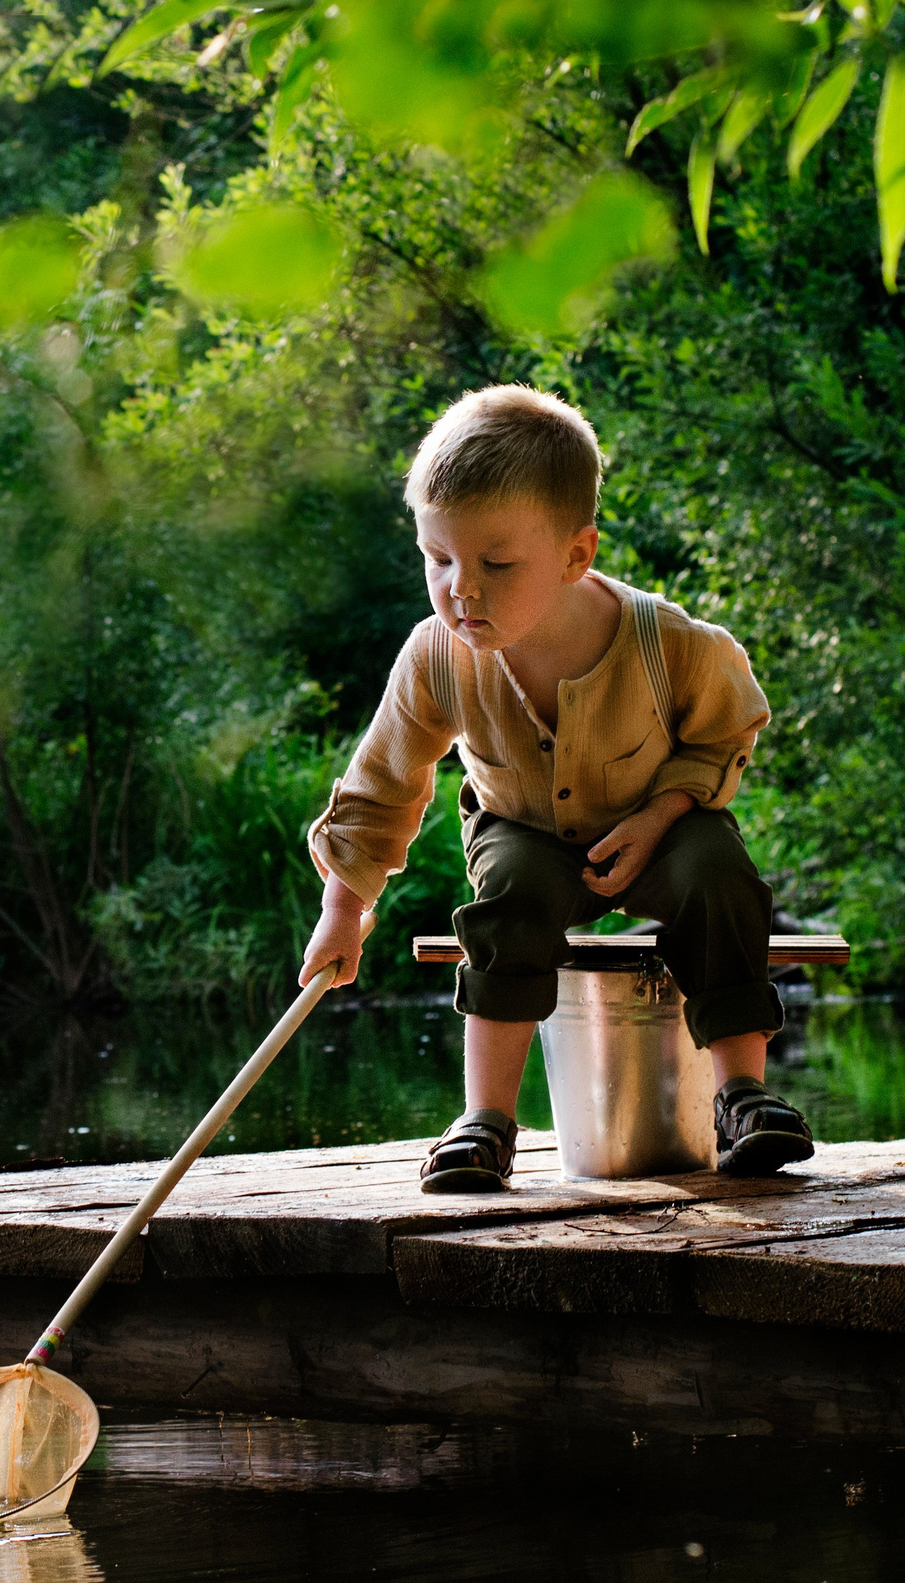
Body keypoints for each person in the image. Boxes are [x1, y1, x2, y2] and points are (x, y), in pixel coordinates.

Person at [299, 384, 813, 1192]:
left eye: (497, 564)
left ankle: (742, 1098)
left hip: (658, 829)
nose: (461, 588)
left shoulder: (664, 640)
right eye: (439, 559)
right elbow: (382, 788)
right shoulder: (436, 654)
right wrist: (342, 911)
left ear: (576, 555)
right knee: (509, 893)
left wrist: (662, 813)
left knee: (720, 876)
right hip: (524, 830)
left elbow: (729, 723)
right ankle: (486, 1124)